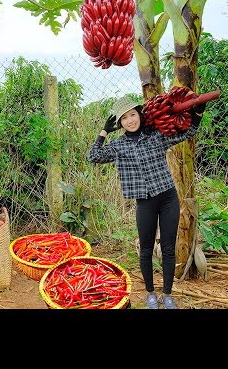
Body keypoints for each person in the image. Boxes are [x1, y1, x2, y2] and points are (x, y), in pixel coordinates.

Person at [87, 94, 206, 309]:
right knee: (146, 249)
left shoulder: (156, 136)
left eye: (132, 114)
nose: (130, 121)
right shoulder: (119, 146)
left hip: (168, 197)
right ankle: (151, 293)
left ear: (140, 114)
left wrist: (198, 112)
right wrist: (103, 132)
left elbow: (188, 132)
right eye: (124, 118)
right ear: (119, 123)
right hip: (145, 202)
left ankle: (167, 294)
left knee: (168, 248)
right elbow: (93, 156)